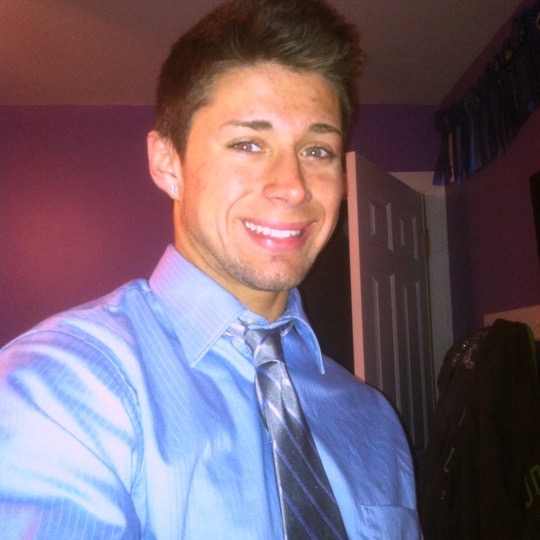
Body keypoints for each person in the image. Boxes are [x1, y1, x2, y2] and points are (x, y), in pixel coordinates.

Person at [0, 0, 421, 537]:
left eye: (317, 150)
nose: (293, 187)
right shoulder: (59, 387)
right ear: (167, 163)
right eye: (248, 144)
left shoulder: (374, 419)